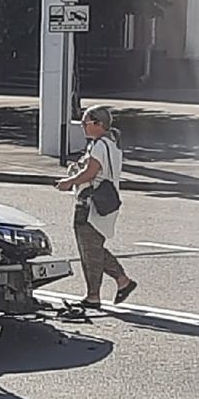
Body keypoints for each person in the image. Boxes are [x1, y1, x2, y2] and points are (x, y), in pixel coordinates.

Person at [55, 106, 137, 309]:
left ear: (98, 124)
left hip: (91, 205)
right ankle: (122, 281)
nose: (82, 126)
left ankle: (93, 296)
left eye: (86, 123)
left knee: (90, 251)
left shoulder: (100, 145)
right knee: (94, 248)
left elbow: (91, 173)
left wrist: (69, 181)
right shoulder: (111, 144)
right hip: (104, 203)